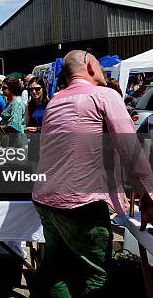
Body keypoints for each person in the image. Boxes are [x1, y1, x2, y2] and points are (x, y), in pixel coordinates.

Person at [33, 50, 153, 297]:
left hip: (47, 198)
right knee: (96, 275)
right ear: (89, 65)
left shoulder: (55, 100)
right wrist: (149, 194)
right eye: (98, 64)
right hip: (80, 204)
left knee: (57, 272)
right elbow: (130, 148)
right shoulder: (104, 95)